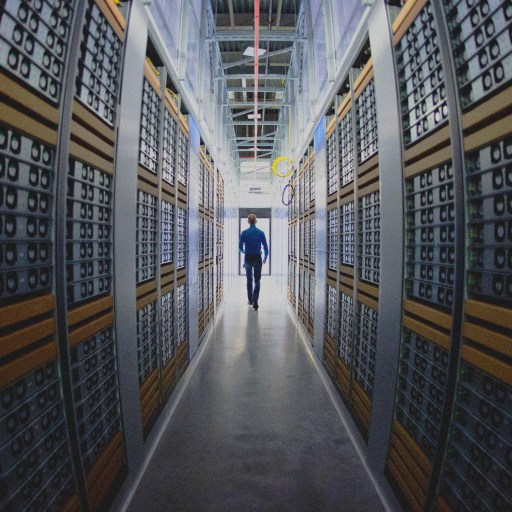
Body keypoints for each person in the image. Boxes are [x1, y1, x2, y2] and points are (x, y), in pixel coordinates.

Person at [239, 213, 269, 310]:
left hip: (248, 258)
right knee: (257, 280)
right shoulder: (261, 233)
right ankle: (255, 298)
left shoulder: (244, 233)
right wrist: (265, 257)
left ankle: (250, 300)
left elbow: (240, 248)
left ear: (248, 222)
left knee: (249, 280)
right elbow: (266, 248)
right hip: (257, 258)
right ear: (256, 221)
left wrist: (245, 251)